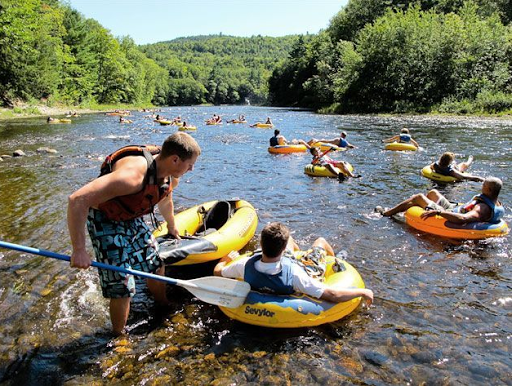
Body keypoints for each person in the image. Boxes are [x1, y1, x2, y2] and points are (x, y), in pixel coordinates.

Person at [67, 132, 201, 335]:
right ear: (175, 159)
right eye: (190, 164)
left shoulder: (169, 176)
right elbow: (77, 200)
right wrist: (79, 250)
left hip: (129, 215)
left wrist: (172, 226)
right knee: (122, 283)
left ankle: (163, 305)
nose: (191, 169)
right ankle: (119, 335)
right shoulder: (131, 177)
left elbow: (165, 199)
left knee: (156, 264)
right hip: (104, 218)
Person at [213, 222, 373, 305]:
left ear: (260, 244)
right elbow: (332, 295)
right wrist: (362, 292)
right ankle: (332, 260)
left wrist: (226, 258)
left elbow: (217, 272)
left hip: (278, 262)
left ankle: (297, 252)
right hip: (302, 269)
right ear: (282, 250)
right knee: (320, 241)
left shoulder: (244, 265)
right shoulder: (296, 275)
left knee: (289, 240)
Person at [375, 177, 504, 225]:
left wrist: (438, 213)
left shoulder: (482, 208)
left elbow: (463, 219)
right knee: (433, 193)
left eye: (483, 186)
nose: (481, 188)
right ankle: (418, 207)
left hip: (448, 212)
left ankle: (386, 213)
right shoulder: (496, 202)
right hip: (454, 207)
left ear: (489, 189)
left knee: (418, 197)